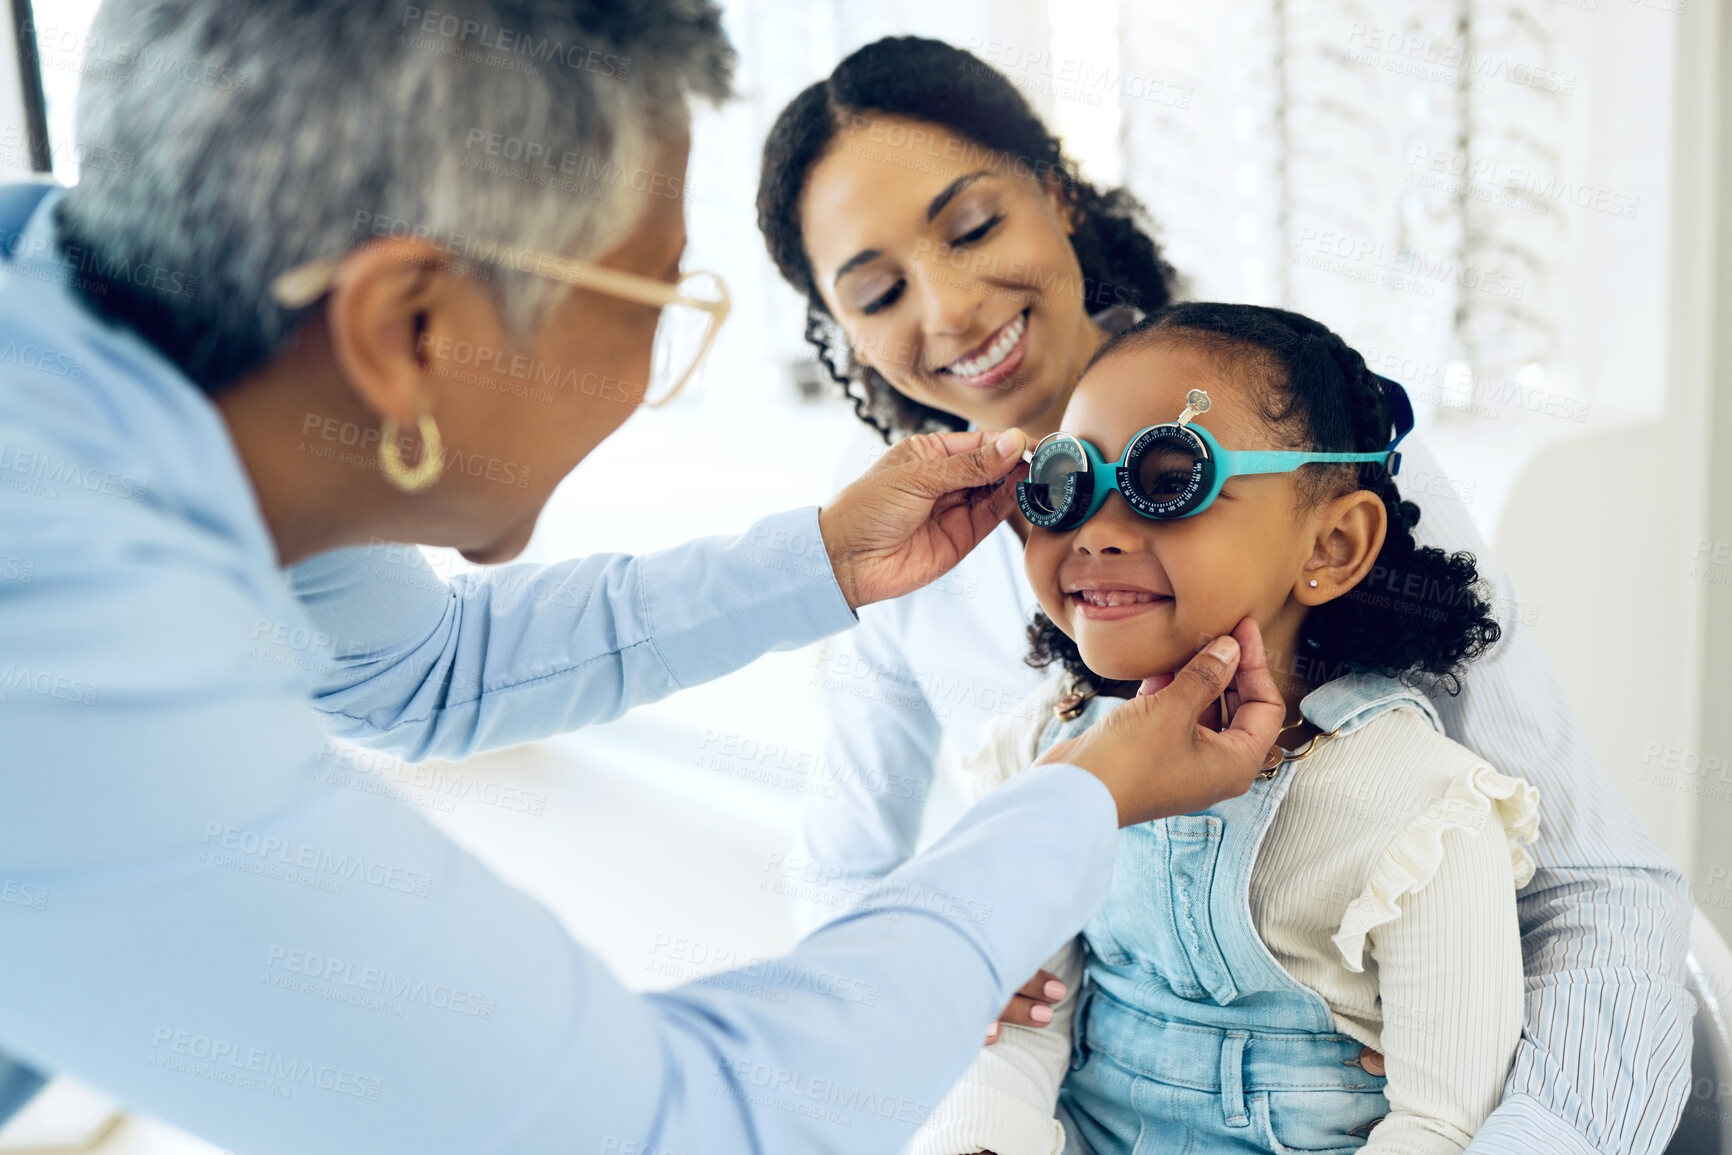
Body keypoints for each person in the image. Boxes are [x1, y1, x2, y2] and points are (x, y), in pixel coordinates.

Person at [0, 4, 1289, 1154]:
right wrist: (1076, 804)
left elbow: (413, 674)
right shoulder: (60, 659)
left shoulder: (93, 329)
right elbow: (689, 1124)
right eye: (652, 300)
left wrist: (824, 561)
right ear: (407, 331)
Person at [755, 35, 1696, 1153]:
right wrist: (917, 975)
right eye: (876, 290)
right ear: (838, 329)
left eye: (972, 228)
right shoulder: (892, 538)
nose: (951, 309)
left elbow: (1596, 891)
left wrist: (1478, 1086)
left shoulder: (1310, 446)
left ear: (1055, 190)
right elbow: (845, 867)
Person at [912, 303, 1543, 1155]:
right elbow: (1018, 1024)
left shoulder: (1421, 811)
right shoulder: (1048, 751)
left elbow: (1441, 1124)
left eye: (1169, 479)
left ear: (1331, 544)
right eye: (1062, 483)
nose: (1095, 533)